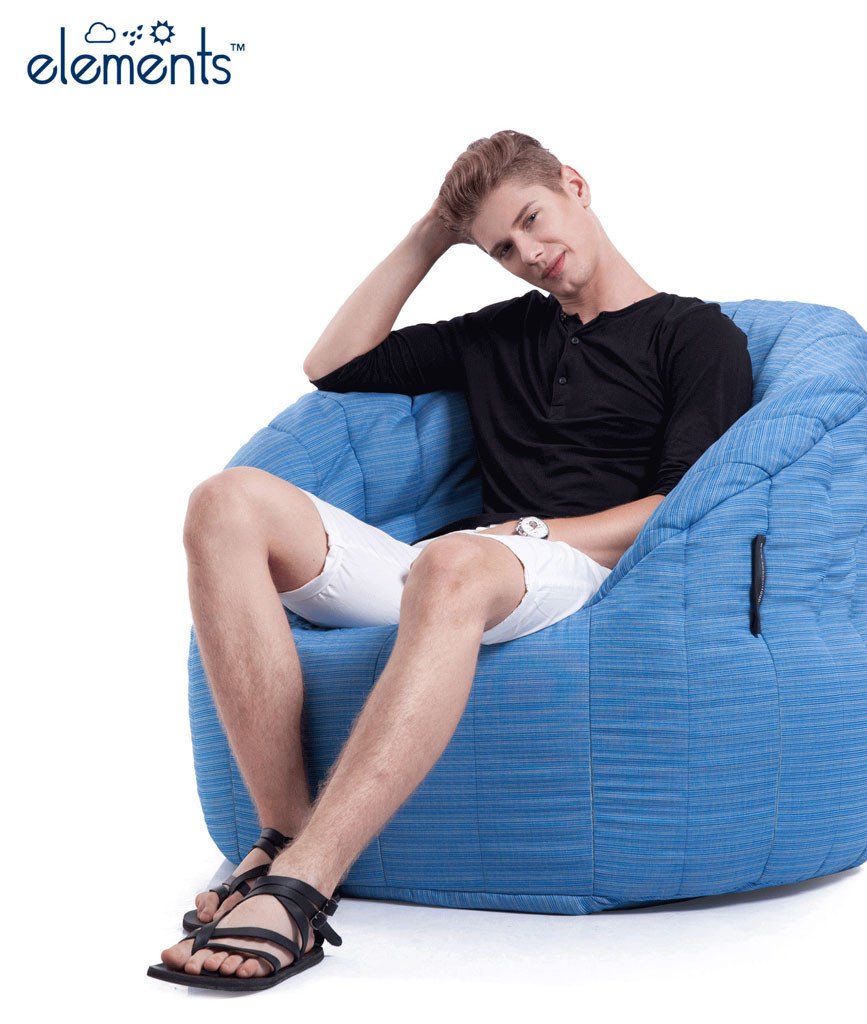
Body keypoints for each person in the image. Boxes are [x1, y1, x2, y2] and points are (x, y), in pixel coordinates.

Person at [148, 129, 754, 991]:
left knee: (454, 562)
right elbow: (333, 363)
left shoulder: (694, 335)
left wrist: (529, 534)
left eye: (533, 220)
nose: (529, 255)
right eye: (502, 248)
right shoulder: (501, 333)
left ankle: (306, 887)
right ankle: (282, 835)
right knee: (225, 501)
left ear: (576, 185)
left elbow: (679, 511)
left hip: (577, 570)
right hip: (456, 572)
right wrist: (434, 234)